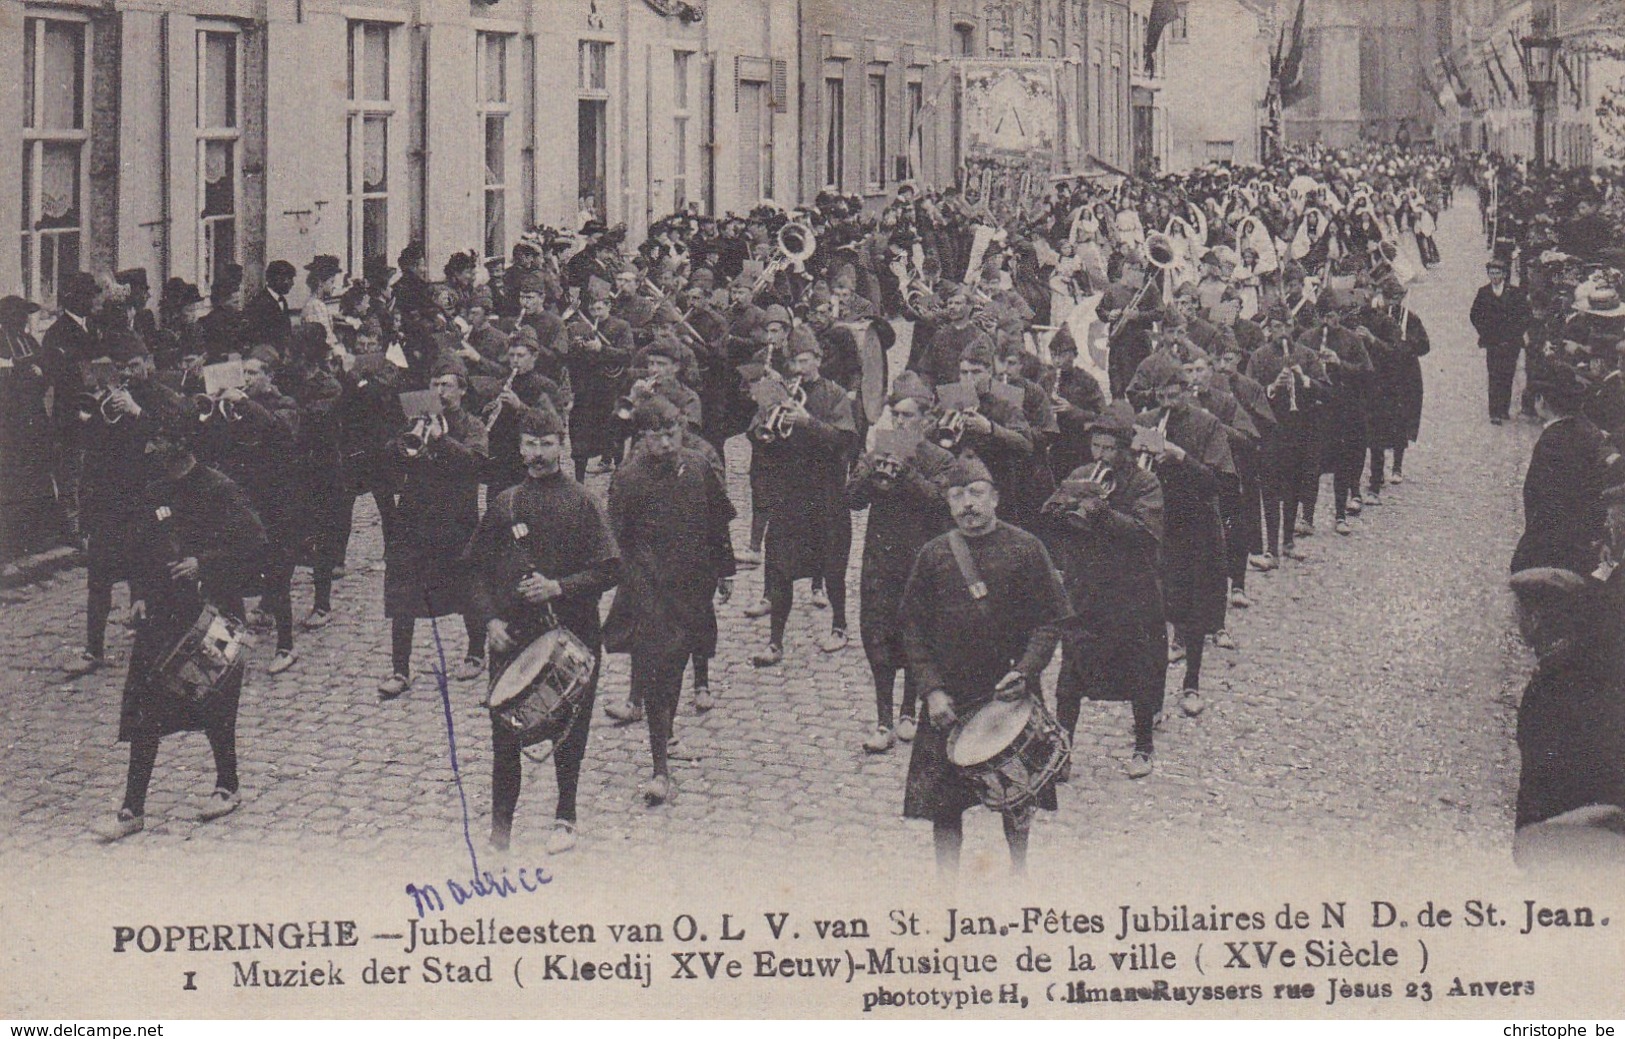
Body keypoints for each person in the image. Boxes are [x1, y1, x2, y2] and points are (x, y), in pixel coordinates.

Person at [899, 454, 1070, 876]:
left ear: (995, 497)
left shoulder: (1027, 548)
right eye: (956, 497)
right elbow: (911, 625)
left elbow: (1051, 619)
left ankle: (1019, 873)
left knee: (1017, 793)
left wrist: (1028, 670)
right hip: (949, 697)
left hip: (1008, 690)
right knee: (944, 804)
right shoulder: (933, 555)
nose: (966, 505)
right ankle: (946, 887)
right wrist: (932, 689)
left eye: (975, 493)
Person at [95, 423, 266, 841]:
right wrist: (138, 593)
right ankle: (132, 809)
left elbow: (256, 542)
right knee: (144, 706)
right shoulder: (154, 492)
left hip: (217, 614)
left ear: (183, 444)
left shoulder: (219, 488)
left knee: (217, 706)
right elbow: (139, 550)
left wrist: (203, 564)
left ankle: (228, 786)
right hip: (164, 614)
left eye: (158, 439)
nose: (150, 445)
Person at [467, 406, 620, 854]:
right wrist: (489, 621)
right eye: (530, 444)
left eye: (547, 444)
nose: (538, 454)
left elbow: (611, 568)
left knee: (569, 729)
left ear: (562, 444)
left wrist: (559, 587)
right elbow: (473, 569)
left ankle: (565, 815)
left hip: (572, 632)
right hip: (514, 634)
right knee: (505, 735)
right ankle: (500, 832)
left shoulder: (583, 501)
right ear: (519, 448)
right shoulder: (505, 503)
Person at [602, 398, 735, 804]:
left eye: (671, 431)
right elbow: (615, 539)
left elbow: (717, 524)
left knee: (674, 666)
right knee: (655, 665)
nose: (664, 442)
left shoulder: (697, 468)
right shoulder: (627, 478)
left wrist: (725, 570)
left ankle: (666, 726)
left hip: (691, 584)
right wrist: (625, 579)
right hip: (647, 586)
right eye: (654, 435)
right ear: (641, 438)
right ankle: (660, 766)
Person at [1040, 401, 1166, 778]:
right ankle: (1063, 750)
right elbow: (1047, 514)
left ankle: (1143, 747)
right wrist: (1065, 506)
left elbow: (1146, 534)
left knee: (1139, 671)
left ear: (1126, 449)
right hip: (1086, 588)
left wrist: (1104, 513)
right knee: (1071, 675)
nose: (1101, 456)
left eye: (1109, 449)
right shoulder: (1082, 473)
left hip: (1130, 592)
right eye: (1096, 447)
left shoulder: (1145, 483)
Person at [845, 372, 955, 752]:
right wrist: (872, 474)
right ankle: (882, 720)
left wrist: (906, 474)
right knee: (878, 633)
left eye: (908, 416)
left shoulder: (940, 458)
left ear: (926, 420)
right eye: (896, 415)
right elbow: (853, 499)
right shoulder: (881, 447)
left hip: (921, 558)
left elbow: (943, 504)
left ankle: (910, 709)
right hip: (882, 555)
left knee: (917, 632)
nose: (900, 423)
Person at [378, 356, 489, 696]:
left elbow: (475, 465)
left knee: (467, 587)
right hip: (414, 517)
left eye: (447, 385)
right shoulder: (416, 418)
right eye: (435, 385)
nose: (440, 391)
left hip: (455, 518)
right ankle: (400, 669)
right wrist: (402, 444)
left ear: (462, 390)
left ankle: (475, 652)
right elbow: (390, 458)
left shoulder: (473, 425)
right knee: (403, 590)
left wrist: (442, 440)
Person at [748, 325, 858, 666]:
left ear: (819, 360)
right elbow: (755, 433)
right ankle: (775, 641)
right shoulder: (778, 390)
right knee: (780, 564)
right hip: (789, 491)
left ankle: (839, 625)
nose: (798, 368)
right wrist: (766, 423)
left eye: (805, 360)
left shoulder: (835, 394)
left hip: (826, 492)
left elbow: (845, 441)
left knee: (833, 565)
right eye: (793, 361)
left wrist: (808, 421)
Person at [1138, 366, 1235, 717]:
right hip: (1155, 523)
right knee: (1154, 611)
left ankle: (1191, 683)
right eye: (1161, 396)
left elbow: (1219, 482)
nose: (1168, 402)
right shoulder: (1146, 420)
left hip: (1194, 526)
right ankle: (1153, 696)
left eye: (1175, 394)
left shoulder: (1207, 424)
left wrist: (1181, 458)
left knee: (1193, 610)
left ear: (1186, 390)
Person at [1511, 373, 1613, 576]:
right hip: (1585, 539)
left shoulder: (1551, 441)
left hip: (1553, 543)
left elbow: (1537, 496)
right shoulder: (1587, 432)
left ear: (1542, 402)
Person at [1470, 256, 1532, 425]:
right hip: (1493, 342)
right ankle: (1494, 412)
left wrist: (1516, 332)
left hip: (1511, 342)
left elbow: (1525, 315)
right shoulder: (1483, 293)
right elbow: (1475, 315)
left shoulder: (1515, 293)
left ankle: (1504, 409)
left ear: (1504, 274)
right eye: (1491, 273)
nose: (1494, 276)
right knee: (1494, 375)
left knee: (1507, 374)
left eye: (1498, 273)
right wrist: (1485, 331)